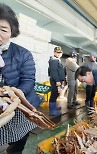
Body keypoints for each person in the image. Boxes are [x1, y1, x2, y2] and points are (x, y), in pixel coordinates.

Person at [0, 3, 41, 153]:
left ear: (12, 32)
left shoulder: (23, 54)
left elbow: (28, 81)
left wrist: (12, 95)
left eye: (3, 30)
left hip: (20, 107)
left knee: (18, 141)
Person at [48, 46, 65, 116]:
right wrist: (57, 80)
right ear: (54, 52)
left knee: (56, 94)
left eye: (60, 52)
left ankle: (54, 107)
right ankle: (52, 110)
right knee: (54, 94)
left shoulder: (57, 60)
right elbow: (54, 71)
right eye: (57, 52)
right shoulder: (54, 60)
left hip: (57, 80)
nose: (59, 54)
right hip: (56, 80)